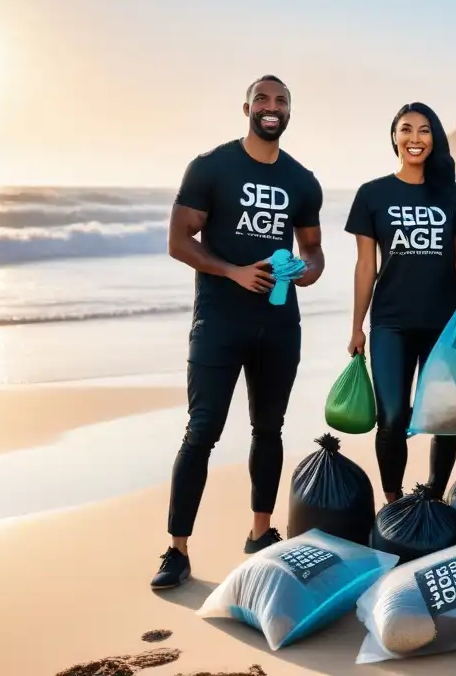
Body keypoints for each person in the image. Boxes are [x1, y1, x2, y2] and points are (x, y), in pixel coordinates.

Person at [151, 75, 325, 590]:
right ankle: (177, 550)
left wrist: (305, 269)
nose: (272, 108)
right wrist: (232, 271)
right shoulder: (211, 167)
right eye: (264, 99)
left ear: (289, 113)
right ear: (247, 107)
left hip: (278, 322)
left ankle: (260, 534)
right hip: (219, 321)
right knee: (201, 430)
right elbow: (179, 241)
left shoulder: (302, 180)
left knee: (268, 428)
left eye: (282, 101)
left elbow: (313, 250)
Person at [344, 102, 456, 504]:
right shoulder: (372, 194)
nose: (414, 138)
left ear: (434, 139)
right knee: (393, 415)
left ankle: (435, 497)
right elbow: (367, 266)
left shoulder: (453, 195)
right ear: (394, 137)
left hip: (445, 322)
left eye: (424, 130)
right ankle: (394, 502)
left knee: (443, 415)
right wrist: (356, 326)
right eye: (406, 129)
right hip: (391, 322)